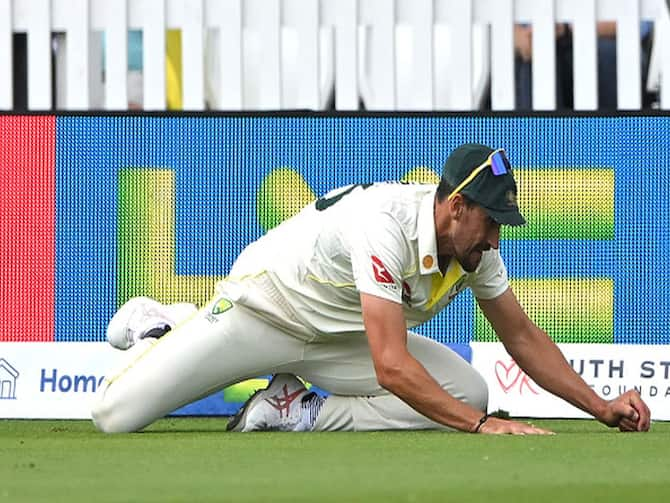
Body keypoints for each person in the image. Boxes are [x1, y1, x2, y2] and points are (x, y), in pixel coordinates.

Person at [91, 143, 651, 434]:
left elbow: (523, 337)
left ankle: (297, 411)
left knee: (468, 392)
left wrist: (600, 407)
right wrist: (484, 430)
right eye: (493, 220)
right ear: (456, 206)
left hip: (342, 341)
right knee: (113, 417)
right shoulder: (386, 223)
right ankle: (164, 325)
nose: (497, 234)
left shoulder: (474, 249)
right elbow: (391, 365)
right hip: (264, 312)